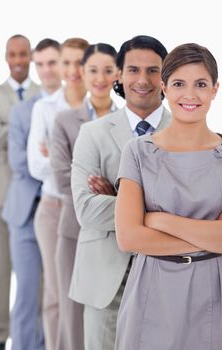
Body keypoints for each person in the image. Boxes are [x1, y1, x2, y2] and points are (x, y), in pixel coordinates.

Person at [115, 42, 222, 350]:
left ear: (215, 89)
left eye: (200, 84)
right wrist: (208, 237)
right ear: (163, 88)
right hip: (152, 290)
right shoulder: (138, 152)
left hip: (212, 290)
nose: (190, 95)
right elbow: (129, 237)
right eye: (178, 84)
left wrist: (159, 220)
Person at [70, 35, 170, 350]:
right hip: (105, 281)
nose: (143, 80)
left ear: (165, 77)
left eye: (153, 71)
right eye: (133, 70)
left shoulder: (186, 133)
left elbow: (194, 209)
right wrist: (158, 209)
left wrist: (118, 198)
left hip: (166, 275)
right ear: (119, 76)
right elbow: (86, 211)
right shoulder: (92, 134)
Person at [51, 42, 118, 350]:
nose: (100, 77)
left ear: (117, 73)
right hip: (74, 231)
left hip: (118, 236)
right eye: (93, 70)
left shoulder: (131, 122)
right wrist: (95, 187)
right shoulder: (65, 121)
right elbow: (64, 179)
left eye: (108, 70)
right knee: (73, 315)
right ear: (82, 72)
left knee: (110, 316)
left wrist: (113, 190)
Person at [27, 37, 89, 350]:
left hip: (92, 212)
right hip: (53, 209)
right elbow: (36, 166)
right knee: (55, 293)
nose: (72, 69)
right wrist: (80, 166)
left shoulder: (100, 107)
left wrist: (59, 154)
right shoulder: (44, 108)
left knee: (89, 293)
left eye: (80, 62)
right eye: (66, 62)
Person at [2, 38, 62, 350]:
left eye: (52, 63)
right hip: (25, 210)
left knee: (55, 291)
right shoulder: (24, 111)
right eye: (41, 63)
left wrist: (50, 156)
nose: (46, 69)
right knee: (26, 290)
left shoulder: (73, 103)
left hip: (60, 208)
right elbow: (19, 162)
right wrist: (58, 160)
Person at [0, 34, 39, 350]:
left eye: (24, 54)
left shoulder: (45, 93)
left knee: (38, 271)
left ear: (30, 57)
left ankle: (35, 334)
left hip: (38, 195)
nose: (18, 60)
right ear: (6, 58)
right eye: (13, 55)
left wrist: (14, 129)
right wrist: (27, 128)